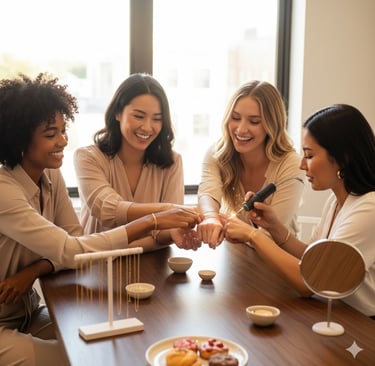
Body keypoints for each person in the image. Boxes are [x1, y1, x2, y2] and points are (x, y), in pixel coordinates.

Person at [0, 73, 201, 366]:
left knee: (112, 345)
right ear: (20, 139)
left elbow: (74, 241)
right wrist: (152, 221)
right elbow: (71, 250)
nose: (62, 141)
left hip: (28, 311)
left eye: (63, 130)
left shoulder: (51, 175)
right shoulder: (5, 190)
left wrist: (34, 270)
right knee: (79, 359)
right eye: (50, 134)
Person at [223, 104, 375, 318]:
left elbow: (310, 282)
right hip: (334, 315)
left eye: (310, 156)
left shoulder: (369, 209)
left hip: (362, 326)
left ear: (343, 157)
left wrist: (252, 234)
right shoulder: (336, 201)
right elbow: (312, 257)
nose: (302, 165)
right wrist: (275, 229)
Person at [74, 73, 200, 252]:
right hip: (97, 267)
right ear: (118, 113)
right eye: (139, 116)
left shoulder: (172, 162)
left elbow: (165, 231)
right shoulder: (88, 157)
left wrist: (174, 232)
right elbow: (108, 210)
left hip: (151, 265)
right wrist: (166, 210)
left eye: (157, 119)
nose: (147, 127)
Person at [197, 80, 305, 248]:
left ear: (272, 125)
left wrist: (235, 230)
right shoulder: (217, 153)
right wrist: (210, 217)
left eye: (254, 121)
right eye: (235, 118)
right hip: (236, 258)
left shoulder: (291, 165)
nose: (241, 129)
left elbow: (271, 233)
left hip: (278, 261)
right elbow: (208, 191)